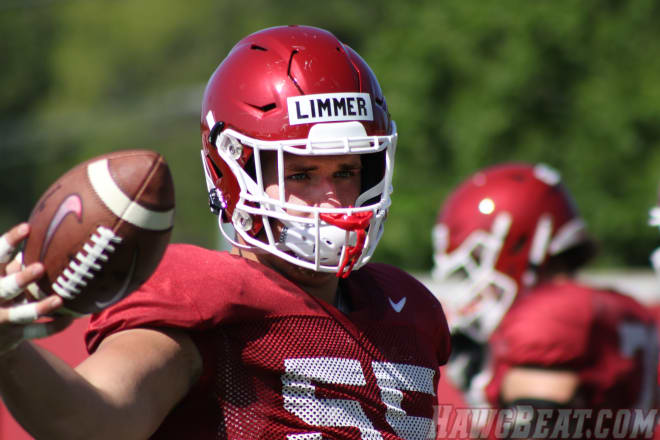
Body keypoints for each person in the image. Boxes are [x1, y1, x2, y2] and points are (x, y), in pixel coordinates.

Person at [0, 25, 451, 439]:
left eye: (346, 170)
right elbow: (91, 420)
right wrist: (9, 350)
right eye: (300, 174)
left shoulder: (408, 311)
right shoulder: (207, 302)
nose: (331, 198)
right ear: (230, 171)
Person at [432, 162, 659, 438]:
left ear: (518, 243)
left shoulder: (550, 317)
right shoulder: (623, 308)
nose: (476, 287)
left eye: (478, 261)